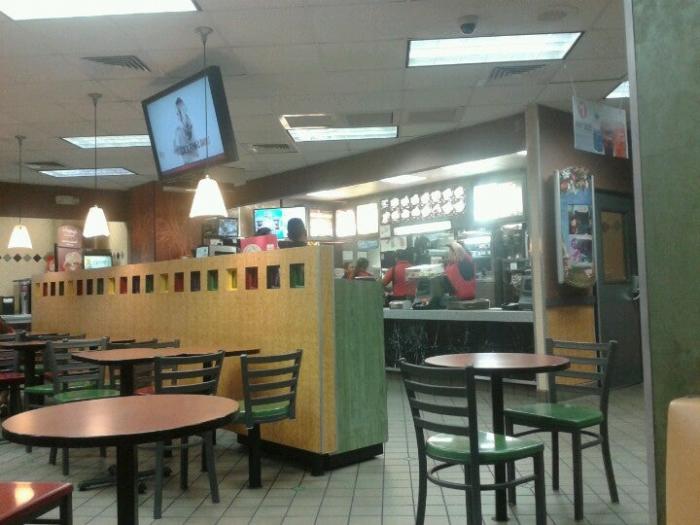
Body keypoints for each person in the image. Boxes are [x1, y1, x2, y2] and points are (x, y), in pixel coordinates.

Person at [173, 97, 199, 163]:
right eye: (178, 105)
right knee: (187, 161)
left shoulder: (188, 115)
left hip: (191, 144)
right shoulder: (176, 118)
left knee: (194, 160)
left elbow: (191, 127)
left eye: (181, 104)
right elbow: (176, 133)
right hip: (183, 145)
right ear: (177, 106)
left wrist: (189, 129)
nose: (180, 106)